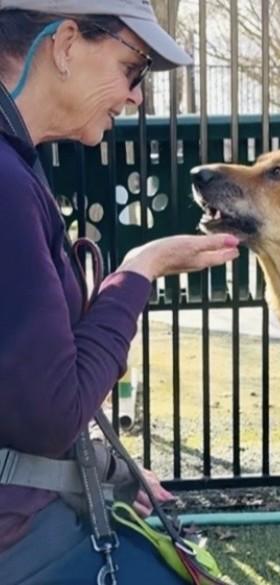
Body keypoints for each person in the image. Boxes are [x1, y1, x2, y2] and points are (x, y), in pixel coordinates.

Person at [0, 2, 240, 583]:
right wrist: (139, 271)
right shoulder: (5, 182)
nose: (136, 96)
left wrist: (109, 470)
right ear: (64, 45)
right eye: (134, 67)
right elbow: (55, 413)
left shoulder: (18, 164)